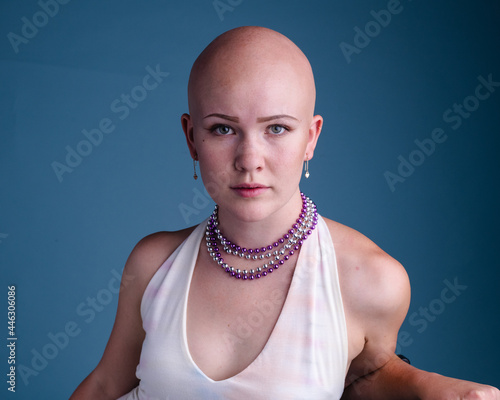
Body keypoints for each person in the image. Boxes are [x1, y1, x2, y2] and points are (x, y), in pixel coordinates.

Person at [70, 26, 500, 399]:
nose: (249, 159)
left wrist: (427, 385)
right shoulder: (153, 264)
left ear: (311, 138)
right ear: (191, 138)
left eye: (277, 128)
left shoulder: (371, 279)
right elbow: (107, 386)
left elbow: (359, 379)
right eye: (223, 129)